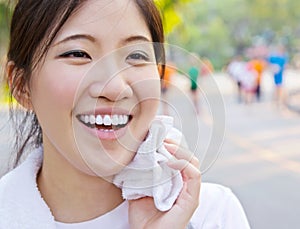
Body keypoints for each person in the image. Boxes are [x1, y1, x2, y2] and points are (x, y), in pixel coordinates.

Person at [0, 0, 250, 228]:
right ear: (22, 86)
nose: (115, 88)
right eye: (77, 54)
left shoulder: (212, 216)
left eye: (136, 55)